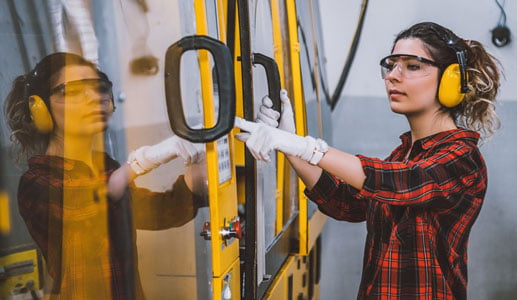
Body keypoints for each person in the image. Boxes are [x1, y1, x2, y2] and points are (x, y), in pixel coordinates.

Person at [235, 22, 500, 299]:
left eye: (412, 66)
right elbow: (346, 204)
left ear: (451, 80)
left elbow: (398, 182)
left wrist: (305, 147)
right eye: (391, 65)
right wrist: (289, 143)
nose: (392, 77)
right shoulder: (403, 154)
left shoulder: (462, 158)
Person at [4, 52, 207, 300]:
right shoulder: (37, 182)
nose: (94, 99)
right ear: (40, 109)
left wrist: (197, 173)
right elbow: (87, 208)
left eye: (98, 88)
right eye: (72, 91)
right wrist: (146, 159)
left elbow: (156, 213)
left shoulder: (104, 167)